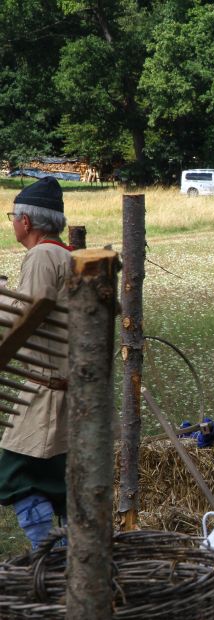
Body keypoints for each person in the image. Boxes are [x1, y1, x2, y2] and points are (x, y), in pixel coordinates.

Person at [0, 177, 72, 550]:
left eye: (13, 217)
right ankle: (67, 553)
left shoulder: (42, 256)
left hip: (47, 392)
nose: (12, 223)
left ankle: (51, 554)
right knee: (61, 481)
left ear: (26, 222)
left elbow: (30, 313)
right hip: (60, 391)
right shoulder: (65, 255)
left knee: (15, 474)